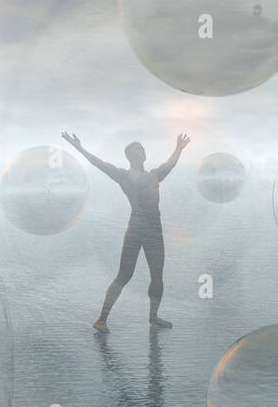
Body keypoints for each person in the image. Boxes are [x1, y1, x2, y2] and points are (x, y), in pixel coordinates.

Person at [61, 131, 190, 331]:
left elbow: (170, 164)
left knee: (157, 276)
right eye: (138, 147)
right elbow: (99, 163)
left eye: (142, 147)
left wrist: (179, 148)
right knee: (124, 275)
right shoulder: (123, 175)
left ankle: (153, 317)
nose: (142, 149)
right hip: (136, 228)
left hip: (155, 230)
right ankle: (101, 319)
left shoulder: (154, 175)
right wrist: (79, 148)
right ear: (130, 156)